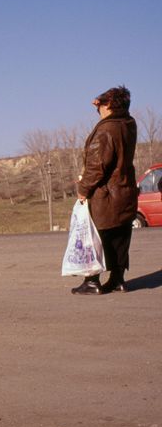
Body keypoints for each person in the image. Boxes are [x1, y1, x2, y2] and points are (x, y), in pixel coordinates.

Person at [72, 86, 138, 295]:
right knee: (120, 236)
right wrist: (103, 102)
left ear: (109, 105)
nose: (97, 105)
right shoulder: (129, 123)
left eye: (102, 102)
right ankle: (118, 279)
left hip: (107, 195)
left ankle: (92, 281)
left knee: (96, 237)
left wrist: (83, 189)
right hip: (125, 191)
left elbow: (97, 165)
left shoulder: (106, 129)